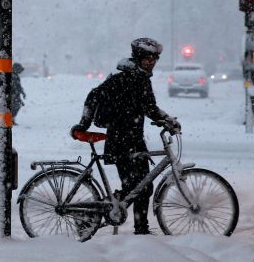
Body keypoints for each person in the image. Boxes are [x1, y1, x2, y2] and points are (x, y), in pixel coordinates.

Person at [71, 38, 181, 235]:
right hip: (121, 141)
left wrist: (166, 120)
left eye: (154, 59)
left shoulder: (141, 78)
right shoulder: (123, 78)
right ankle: (96, 215)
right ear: (138, 58)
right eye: (148, 58)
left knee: (142, 186)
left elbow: (149, 108)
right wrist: (83, 124)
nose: (151, 62)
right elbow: (93, 96)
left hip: (134, 140)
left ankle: (140, 229)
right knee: (137, 186)